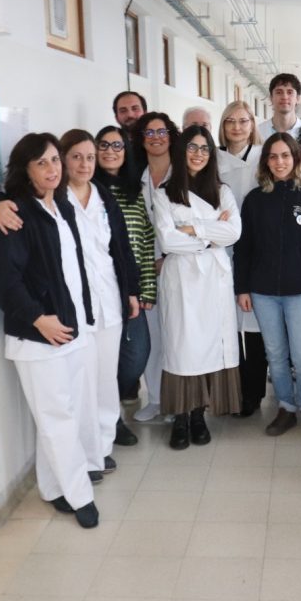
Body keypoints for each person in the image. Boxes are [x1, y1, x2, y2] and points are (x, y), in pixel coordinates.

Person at [0, 130, 142, 469]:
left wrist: (130, 290)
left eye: (90, 157)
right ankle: (84, 455)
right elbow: (8, 202)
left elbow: (121, 248)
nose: (84, 164)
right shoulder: (53, 199)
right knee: (80, 386)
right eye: (75, 157)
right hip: (72, 307)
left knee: (105, 378)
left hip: (108, 298)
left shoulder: (104, 197)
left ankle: (102, 445)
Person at [0, 133, 100, 528]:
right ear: (26, 170)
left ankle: (53, 488)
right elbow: (8, 282)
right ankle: (80, 496)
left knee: (63, 414)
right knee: (57, 417)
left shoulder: (61, 206)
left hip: (70, 329)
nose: (52, 168)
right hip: (38, 338)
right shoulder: (18, 213)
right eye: (42, 163)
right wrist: (39, 319)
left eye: (55, 160)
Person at [234, 134, 301, 439]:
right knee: (275, 354)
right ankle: (286, 407)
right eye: (273, 156)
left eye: (285, 156)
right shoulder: (255, 199)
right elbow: (244, 248)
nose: (279, 162)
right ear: (266, 161)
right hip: (263, 291)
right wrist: (242, 288)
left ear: (296, 158)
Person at [151, 125, 242, 449]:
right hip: (181, 280)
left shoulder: (222, 191)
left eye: (204, 148)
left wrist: (192, 229)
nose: (198, 154)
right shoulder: (164, 193)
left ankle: (199, 415)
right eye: (192, 147)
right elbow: (167, 240)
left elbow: (234, 233)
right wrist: (210, 233)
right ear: (181, 151)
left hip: (213, 281)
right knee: (182, 347)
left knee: (209, 345)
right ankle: (180, 417)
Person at [94, 125, 156, 437]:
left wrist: (146, 288)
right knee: (103, 359)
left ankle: (107, 407)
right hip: (100, 288)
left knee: (136, 356)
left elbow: (145, 239)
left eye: (117, 146)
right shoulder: (87, 189)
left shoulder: (134, 190)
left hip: (130, 290)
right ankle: (110, 420)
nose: (110, 151)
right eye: (103, 145)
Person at [217, 100, 267, 416]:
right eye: (230, 121)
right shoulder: (213, 159)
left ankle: (254, 393)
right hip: (223, 249)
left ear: (252, 125)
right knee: (229, 326)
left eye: (243, 121)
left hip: (258, 249)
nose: (237, 127)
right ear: (222, 126)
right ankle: (232, 393)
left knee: (255, 326)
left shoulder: (264, 157)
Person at [131, 112, 180, 422]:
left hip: (179, 264)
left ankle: (179, 402)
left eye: (161, 131)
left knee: (177, 336)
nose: (156, 138)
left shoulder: (185, 173)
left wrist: (169, 257)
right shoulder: (134, 175)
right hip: (146, 269)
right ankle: (156, 400)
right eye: (149, 133)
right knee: (153, 337)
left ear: (171, 136)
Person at [258, 73, 301, 141]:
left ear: (297, 98)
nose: (284, 97)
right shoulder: (258, 132)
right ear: (271, 98)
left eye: (290, 92)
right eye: (279, 92)